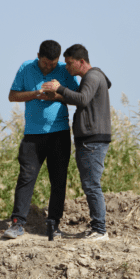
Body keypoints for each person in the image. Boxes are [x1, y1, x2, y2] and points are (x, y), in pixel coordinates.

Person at [3, 40, 79, 239]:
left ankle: (53, 224)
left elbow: (77, 97)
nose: (49, 67)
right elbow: (12, 96)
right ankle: (17, 223)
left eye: (53, 64)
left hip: (60, 133)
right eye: (46, 63)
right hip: (33, 134)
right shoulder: (26, 68)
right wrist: (36, 94)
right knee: (26, 177)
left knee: (59, 180)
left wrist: (57, 95)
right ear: (38, 56)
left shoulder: (64, 70)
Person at [42, 44, 111, 241]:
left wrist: (60, 88)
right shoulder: (93, 78)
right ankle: (97, 227)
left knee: (91, 185)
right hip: (91, 138)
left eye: (70, 63)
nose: (67, 67)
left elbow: (81, 99)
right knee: (90, 184)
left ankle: (100, 229)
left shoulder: (92, 76)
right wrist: (59, 97)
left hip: (93, 139)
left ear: (81, 62)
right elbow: (82, 100)